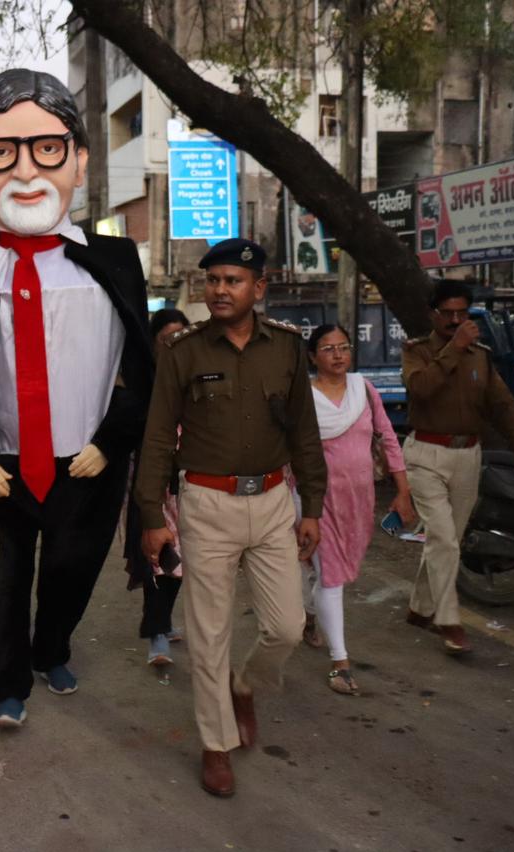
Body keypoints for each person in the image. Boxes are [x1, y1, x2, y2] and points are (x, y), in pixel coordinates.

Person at [0, 68, 152, 728]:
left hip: (87, 456)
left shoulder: (116, 260)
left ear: (79, 161)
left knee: (72, 566)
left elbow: (141, 367)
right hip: (2, 459)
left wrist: (112, 441)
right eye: (2, 152)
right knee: (13, 573)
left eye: (47, 148)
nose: (26, 171)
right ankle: (8, 685)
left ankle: (52, 646)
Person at [135, 238, 326, 798]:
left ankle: (245, 685)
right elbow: (156, 439)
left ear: (258, 288)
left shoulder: (286, 349)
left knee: (286, 626)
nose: (220, 290)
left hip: (272, 502)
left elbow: (304, 432)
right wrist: (152, 514)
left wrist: (312, 507)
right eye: (213, 280)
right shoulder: (183, 352)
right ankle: (215, 744)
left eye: (233, 281)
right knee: (209, 633)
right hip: (206, 503)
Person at [401, 280, 514, 655]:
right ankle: (449, 620)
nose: (455, 320)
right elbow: (421, 389)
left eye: (462, 313)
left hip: (468, 455)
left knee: (448, 540)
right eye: (448, 313)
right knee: (444, 538)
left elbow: (502, 403)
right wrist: (453, 349)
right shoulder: (417, 351)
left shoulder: (481, 356)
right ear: (433, 314)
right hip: (426, 453)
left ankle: (420, 607)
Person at [300, 324, 415, 694]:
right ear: (312, 356)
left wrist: (403, 490)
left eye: (343, 347)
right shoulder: (302, 396)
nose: (338, 354)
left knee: (329, 571)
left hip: (359, 498)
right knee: (330, 574)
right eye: (328, 348)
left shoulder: (363, 389)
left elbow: (388, 438)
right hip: (317, 500)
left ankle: (309, 615)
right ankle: (340, 663)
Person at [123, 308, 190, 667]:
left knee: (183, 562)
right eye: (166, 340)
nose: (174, 346)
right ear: (152, 345)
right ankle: (157, 632)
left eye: (181, 338)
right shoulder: (141, 385)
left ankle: (162, 622)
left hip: (190, 486)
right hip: (152, 486)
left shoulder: (197, 379)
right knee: (158, 557)